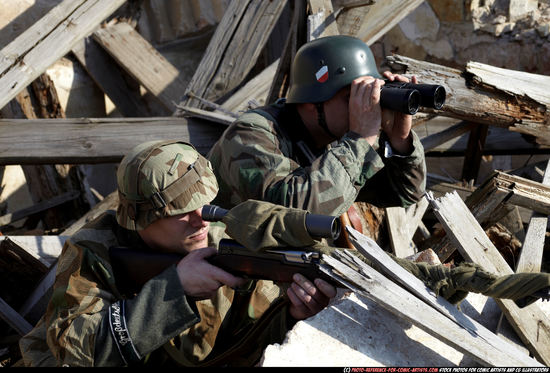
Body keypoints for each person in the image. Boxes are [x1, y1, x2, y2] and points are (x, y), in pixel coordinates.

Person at [18, 140, 337, 367]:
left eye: (204, 202)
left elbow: (240, 349)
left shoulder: (226, 245)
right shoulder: (95, 250)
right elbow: (77, 354)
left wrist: (290, 316)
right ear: (140, 221)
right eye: (181, 210)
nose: (201, 218)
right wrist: (174, 289)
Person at [208, 35, 426, 217]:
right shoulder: (251, 133)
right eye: (352, 97)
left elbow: (405, 194)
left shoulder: (335, 139)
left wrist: (400, 142)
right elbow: (295, 215)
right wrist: (361, 139)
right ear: (312, 103)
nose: (364, 106)